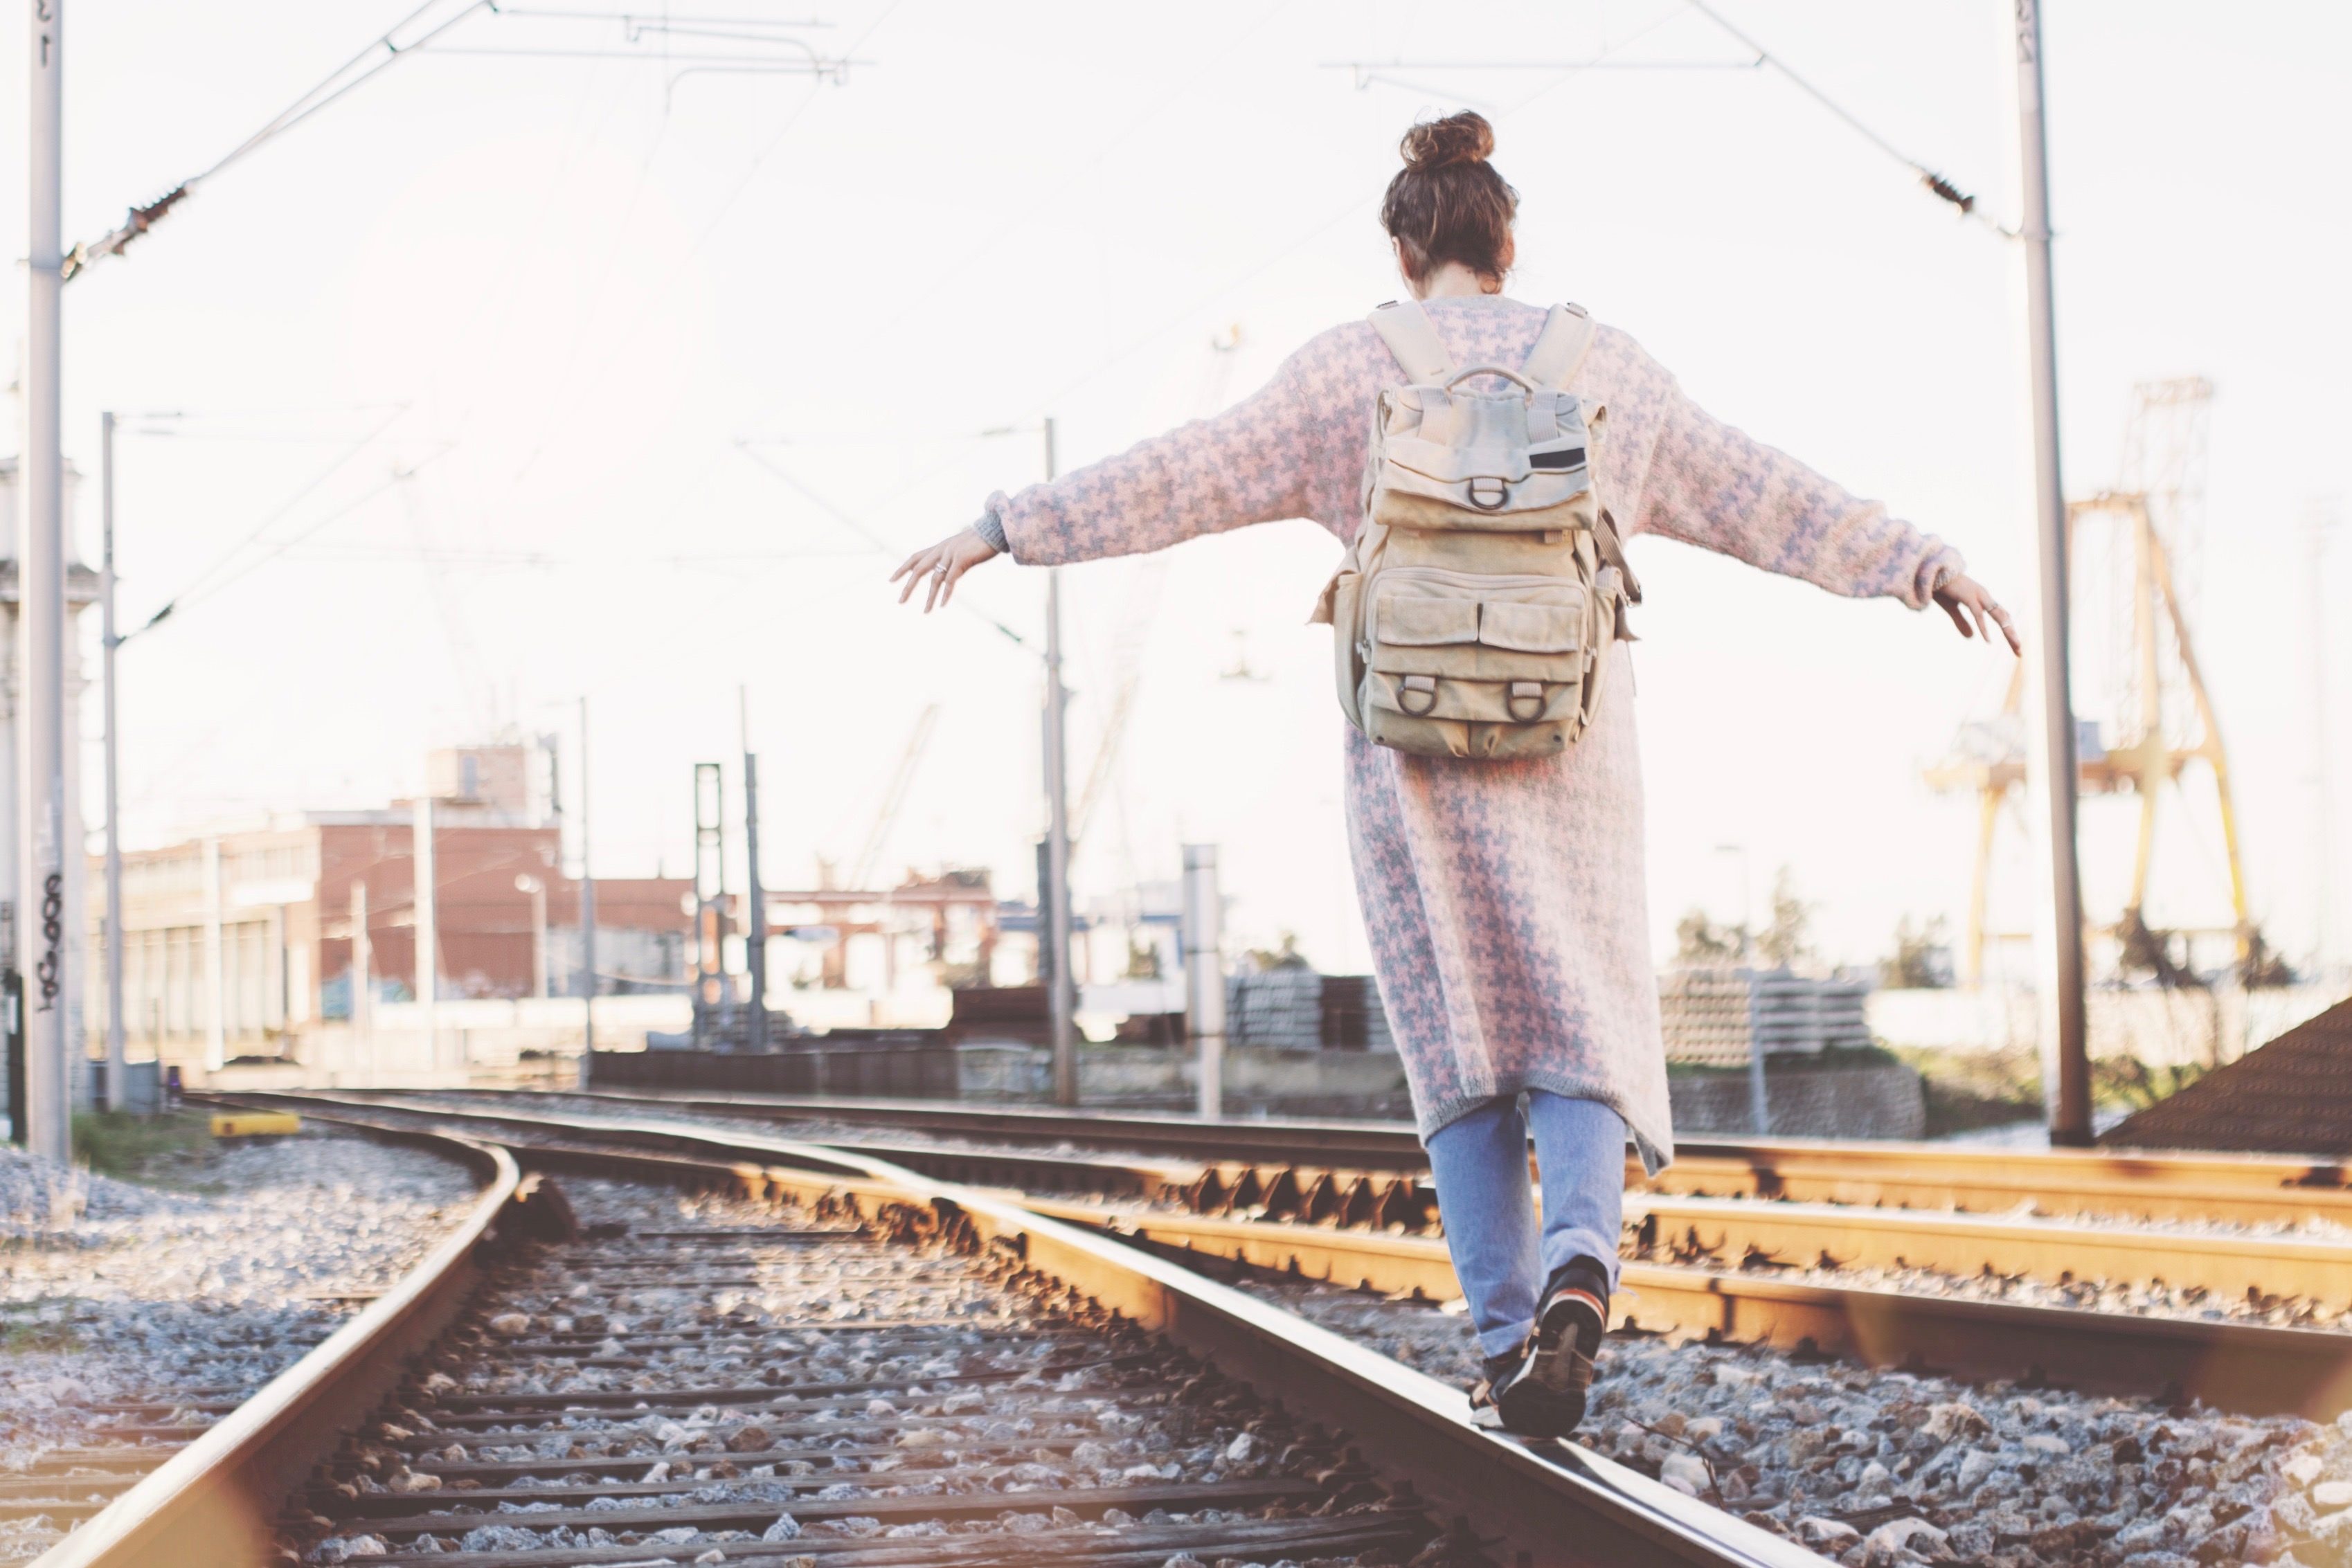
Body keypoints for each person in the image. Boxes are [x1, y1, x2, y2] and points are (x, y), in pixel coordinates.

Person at [890, 111, 2017, 1439]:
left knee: (1459, 1047)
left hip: (1410, 760)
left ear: (1400, 241)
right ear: (1507, 240)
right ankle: (1581, 1260)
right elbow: (1761, 491)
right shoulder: (1612, 373)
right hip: (1574, 748)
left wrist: (1005, 527)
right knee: (1582, 1018)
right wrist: (1911, 557)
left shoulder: (1339, 374)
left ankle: (1501, 1339)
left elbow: (1180, 476)